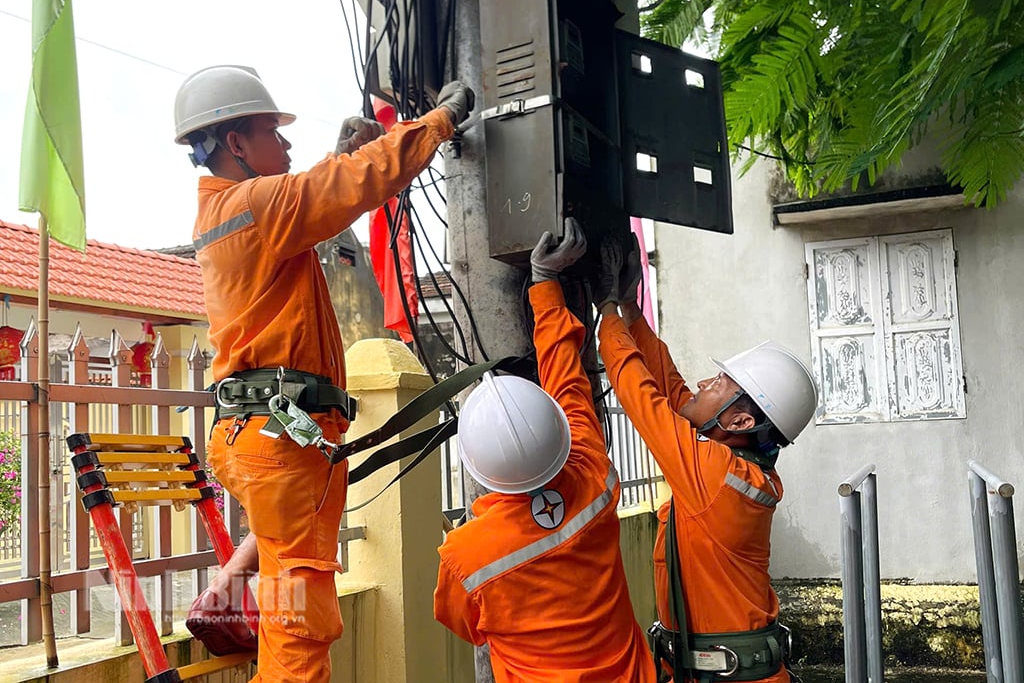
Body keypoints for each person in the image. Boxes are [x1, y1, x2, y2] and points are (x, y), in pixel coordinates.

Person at [172, 64, 474, 682]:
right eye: (272, 134)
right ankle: (239, 594)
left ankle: (230, 586)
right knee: (300, 629)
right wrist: (437, 123)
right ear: (236, 144)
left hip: (255, 433)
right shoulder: (256, 205)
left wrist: (339, 154)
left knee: (289, 597)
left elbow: (314, 195)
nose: (285, 145)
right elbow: (346, 188)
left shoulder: (228, 211)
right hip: (279, 438)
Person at [434, 218, 657, 682]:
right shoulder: (593, 475)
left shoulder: (466, 554)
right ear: (558, 435)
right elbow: (567, 377)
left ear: (474, 464)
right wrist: (545, 281)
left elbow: (467, 627)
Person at [594, 238, 818, 683]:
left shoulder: (716, 475)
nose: (701, 383)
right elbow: (674, 391)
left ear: (739, 420)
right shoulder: (736, 465)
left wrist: (605, 308)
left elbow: (643, 398)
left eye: (717, 383)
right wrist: (630, 308)